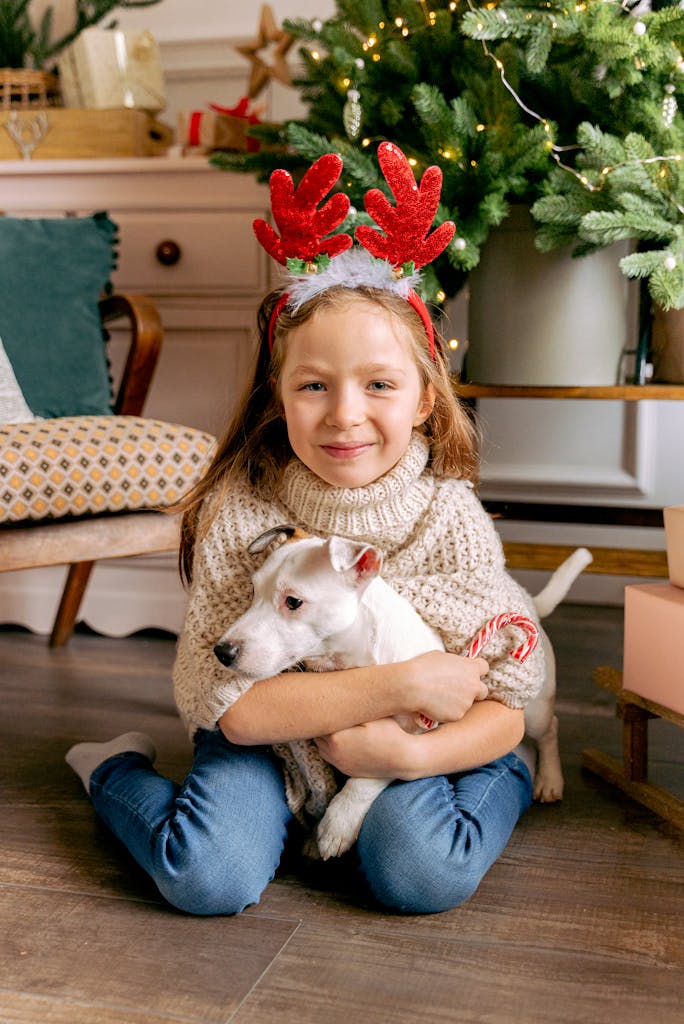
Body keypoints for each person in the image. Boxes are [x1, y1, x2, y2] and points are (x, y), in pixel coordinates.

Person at [65, 144, 543, 917]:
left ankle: (502, 785)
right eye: (314, 386)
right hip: (267, 743)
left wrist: (412, 751)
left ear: (424, 399)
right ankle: (116, 772)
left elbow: (508, 702)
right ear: (278, 396)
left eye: (379, 385)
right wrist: (396, 686)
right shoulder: (242, 511)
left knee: (422, 874)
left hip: (403, 747)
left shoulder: (447, 516)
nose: (345, 414)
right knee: (206, 876)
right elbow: (232, 704)